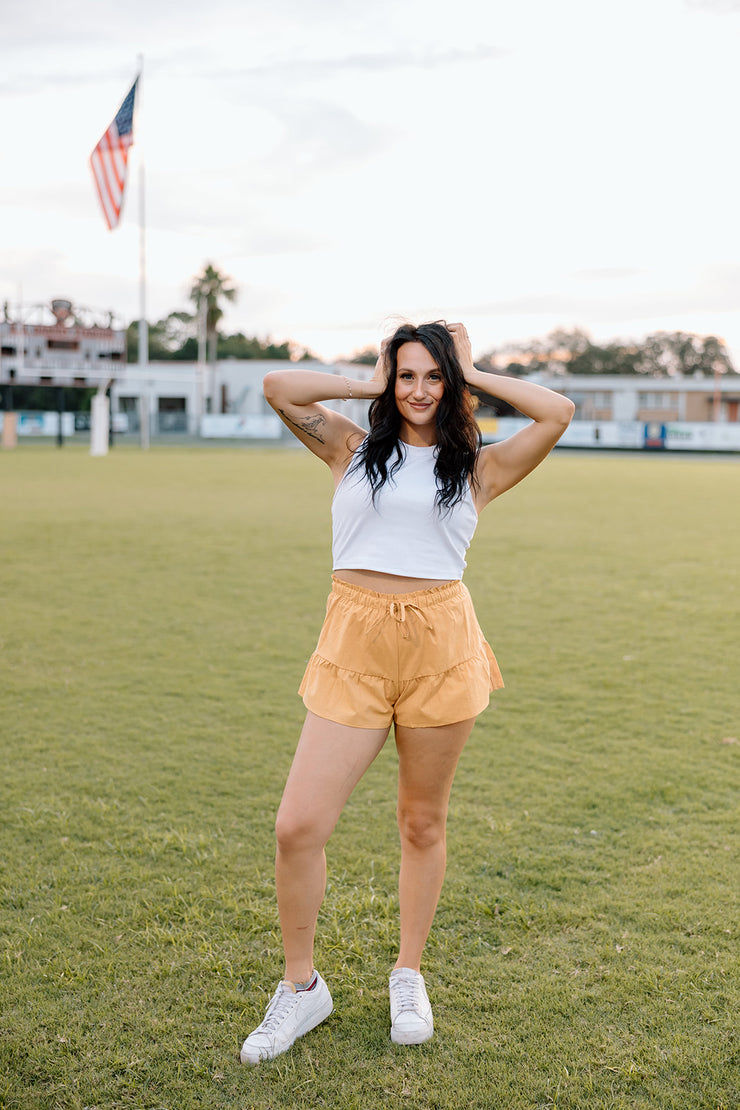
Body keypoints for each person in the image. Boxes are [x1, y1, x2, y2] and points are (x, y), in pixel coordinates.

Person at [240, 321, 574, 1064]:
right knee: (298, 825)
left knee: (422, 823)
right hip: (353, 641)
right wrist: (371, 378)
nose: (419, 390)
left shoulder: (479, 470)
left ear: (450, 383)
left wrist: (472, 371)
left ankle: (408, 972)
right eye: (408, 376)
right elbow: (278, 387)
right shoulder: (349, 449)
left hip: (440, 645)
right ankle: (302, 989)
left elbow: (556, 412)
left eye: (433, 377)